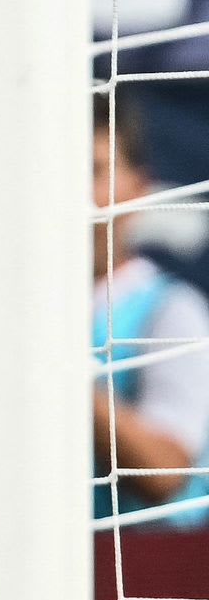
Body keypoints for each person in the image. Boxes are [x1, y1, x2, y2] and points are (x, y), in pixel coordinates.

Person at [97, 96, 209, 526]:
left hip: (149, 577)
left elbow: (165, 472)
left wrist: (62, 375)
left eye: (91, 172)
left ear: (138, 189)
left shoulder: (170, 310)